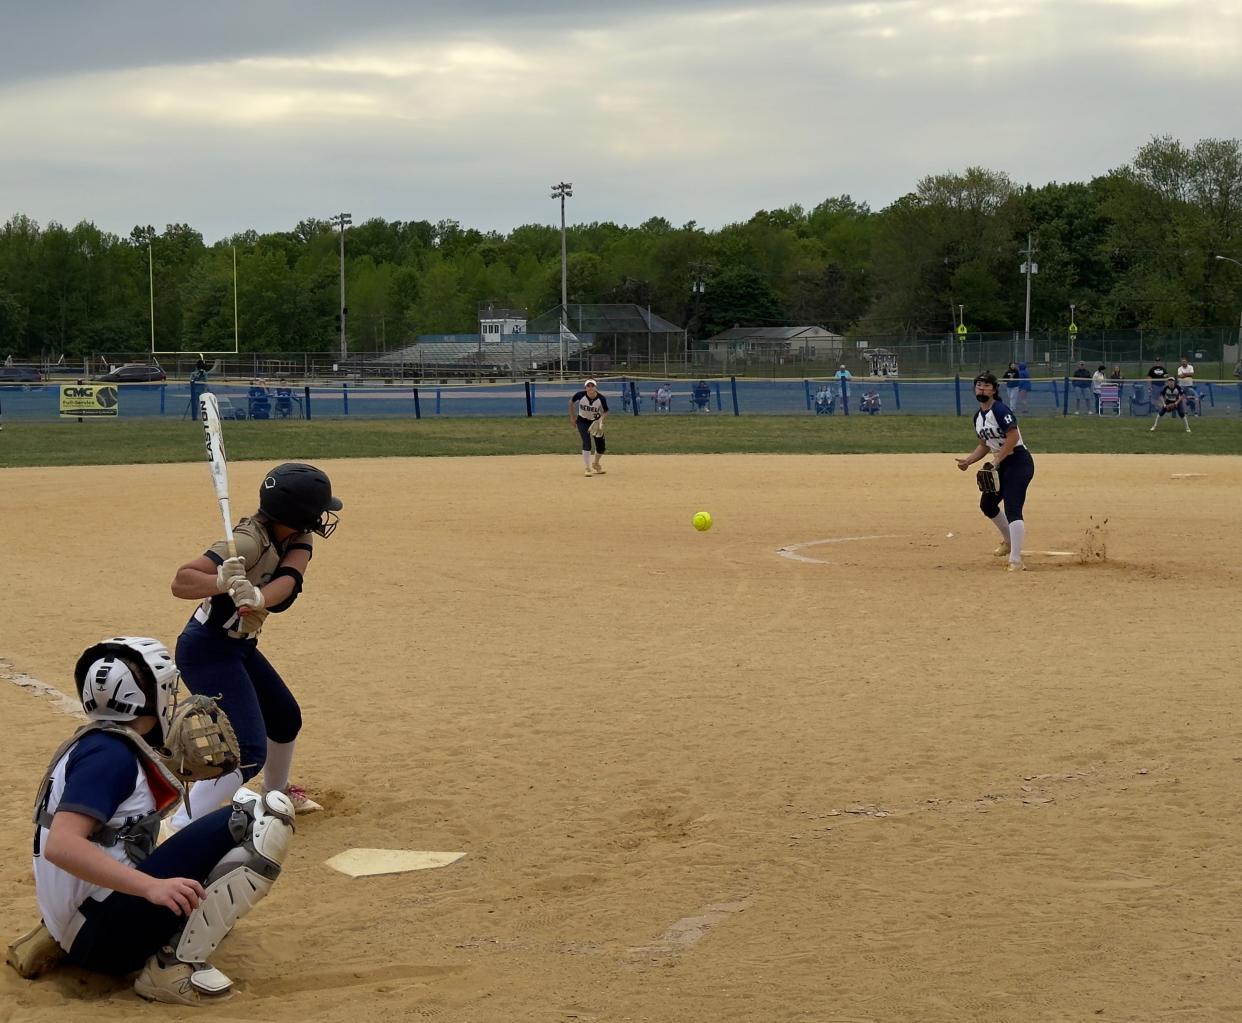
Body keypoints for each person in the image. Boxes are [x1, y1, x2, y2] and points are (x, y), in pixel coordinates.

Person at [25, 635, 295, 1005]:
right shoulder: (111, 758)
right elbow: (63, 844)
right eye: (166, 689)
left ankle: (60, 931)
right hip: (102, 938)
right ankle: (170, 968)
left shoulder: (98, 742)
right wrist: (151, 888)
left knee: (218, 824)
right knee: (262, 816)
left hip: (83, 922)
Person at [168, 462, 343, 827]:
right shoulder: (247, 541)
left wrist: (259, 597)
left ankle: (275, 797)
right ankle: (178, 824)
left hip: (239, 647)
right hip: (207, 650)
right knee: (248, 749)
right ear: (298, 512)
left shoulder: (297, 537)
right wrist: (219, 580)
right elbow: (182, 582)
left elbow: (290, 580)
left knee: (284, 719)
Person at [955, 371, 1035, 573]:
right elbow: (984, 444)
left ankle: (1015, 561)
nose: (982, 388)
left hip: (1018, 461)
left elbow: (1013, 436)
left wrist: (998, 459)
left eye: (986, 385)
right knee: (988, 504)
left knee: (1012, 507)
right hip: (1000, 463)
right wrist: (968, 461)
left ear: (994, 390)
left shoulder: (1000, 410)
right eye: (979, 385)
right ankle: (1009, 542)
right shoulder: (978, 417)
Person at [569, 379, 608, 476]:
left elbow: (606, 411)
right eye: (588, 386)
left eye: (592, 386)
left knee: (601, 446)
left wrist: (600, 420)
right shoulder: (580, 395)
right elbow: (571, 402)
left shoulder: (601, 398)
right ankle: (587, 468)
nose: (590, 388)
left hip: (595, 422)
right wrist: (573, 417)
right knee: (587, 443)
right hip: (582, 421)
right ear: (585, 388)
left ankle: (596, 464)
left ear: (596, 387)